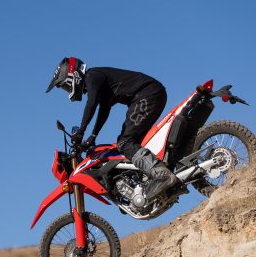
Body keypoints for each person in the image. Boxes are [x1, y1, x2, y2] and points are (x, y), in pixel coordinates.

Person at [45, 56, 179, 201]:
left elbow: (91, 104)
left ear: (74, 76)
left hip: (146, 95)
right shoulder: (98, 82)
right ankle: (162, 178)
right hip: (151, 93)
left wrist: (81, 131)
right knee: (132, 143)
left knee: (125, 143)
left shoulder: (92, 76)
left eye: (66, 86)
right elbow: (104, 109)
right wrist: (93, 136)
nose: (67, 90)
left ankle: (162, 175)